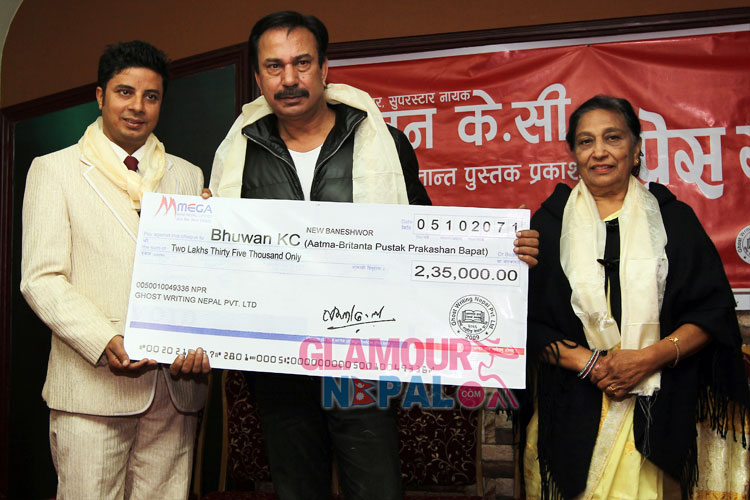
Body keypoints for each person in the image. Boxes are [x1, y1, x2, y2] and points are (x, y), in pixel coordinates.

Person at [208, 11, 540, 500]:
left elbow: (424, 235)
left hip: (363, 357)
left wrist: (499, 254)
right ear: (258, 78)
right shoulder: (238, 155)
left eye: (302, 63)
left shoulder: (383, 143)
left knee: (377, 487)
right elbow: (221, 253)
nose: (289, 79)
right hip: (278, 366)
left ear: (325, 69)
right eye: (274, 67)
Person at [522, 95, 749, 499]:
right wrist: (591, 364)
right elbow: (528, 323)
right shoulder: (547, 226)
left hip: (657, 407)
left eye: (613, 137)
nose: (599, 151)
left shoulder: (674, 220)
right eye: (586, 141)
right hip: (573, 409)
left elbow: (713, 313)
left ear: (636, 147)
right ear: (574, 153)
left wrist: (646, 359)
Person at [20, 40, 211, 500]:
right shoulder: (54, 170)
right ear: (100, 96)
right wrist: (103, 338)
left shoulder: (188, 176)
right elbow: (41, 278)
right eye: (125, 92)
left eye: (151, 96)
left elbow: (200, 278)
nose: (138, 107)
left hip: (174, 389)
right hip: (91, 389)